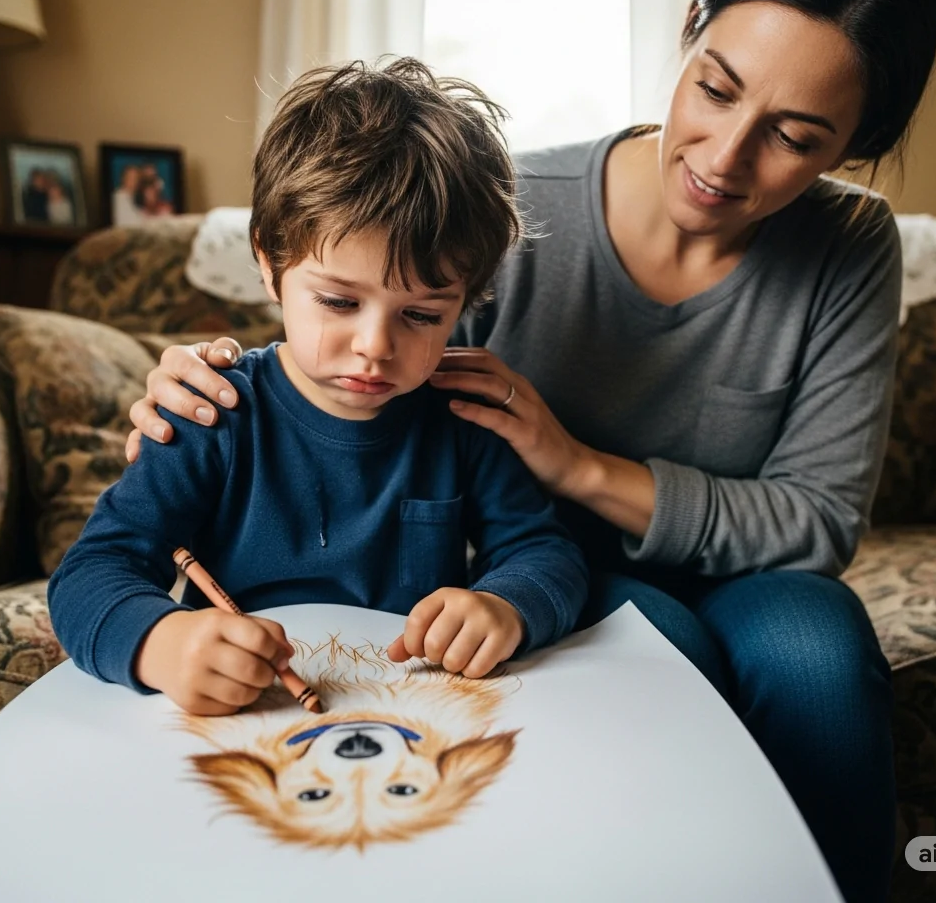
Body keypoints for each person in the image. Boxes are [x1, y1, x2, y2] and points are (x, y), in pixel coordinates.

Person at [126, 0, 936, 903]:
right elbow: (357, 354)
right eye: (715, 88)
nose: (725, 156)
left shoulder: (850, 246)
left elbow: (815, 521)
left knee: (818, 655)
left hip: (752, 577)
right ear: (690, 28)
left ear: (855, 144)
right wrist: (206, 382)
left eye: (794, 136)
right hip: (549, 566)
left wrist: (579, 466)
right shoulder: (510, 210)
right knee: (666, 657)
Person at [48, 58, 588, 723]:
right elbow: (90, 573)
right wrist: (161, 643)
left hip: (412, 715)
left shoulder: (462, 417)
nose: (375, 346)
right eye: (338, 301)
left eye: (422, 315)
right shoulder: (212, 411)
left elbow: (545, 553)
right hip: (236, 723)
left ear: (465, 302)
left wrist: (505, 606)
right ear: (269, 263)